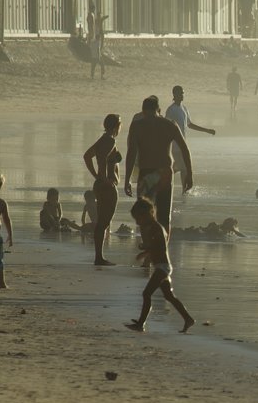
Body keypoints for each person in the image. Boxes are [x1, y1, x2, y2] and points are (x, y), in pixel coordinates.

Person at [125, 95, 191, 237]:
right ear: (158, 110)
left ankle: (149, 248)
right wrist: (190, 175)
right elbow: (185, 150)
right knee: (164, 216)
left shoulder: (137, 125)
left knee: (144, 215)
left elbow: (131, 154)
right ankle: (163, 250)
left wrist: (127, 180)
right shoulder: (170, 124)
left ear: (143, 111)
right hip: (165, 173)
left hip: (147, 173)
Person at [126, 197, 195, 333]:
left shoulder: (156, 228)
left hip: (163, 267)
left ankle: (141, 323)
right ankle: (188, 319)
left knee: (146, 294)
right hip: (162, 267)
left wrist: (145, 252)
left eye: (138, 218)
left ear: (149, 213)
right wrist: (145, 248)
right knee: (169, 296)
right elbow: (155, 246)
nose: (138, 222)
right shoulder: (153, 228)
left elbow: (158, 247)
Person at [83, 113, 122, 265]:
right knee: (104, 222)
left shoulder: (103, 139)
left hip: (101, 185)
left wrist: (97, 176)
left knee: (102, 222)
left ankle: (99, 256)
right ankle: (99, 258)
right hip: (106, 187)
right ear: (115, 126)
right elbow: (104, 159)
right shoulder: (110, 140)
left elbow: (87, 156)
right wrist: (104, 178)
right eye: (119, 124)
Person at [165, 85, 216, 195]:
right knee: (183, 168)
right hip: (174, 145)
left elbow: (190, 124)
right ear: (174, 94)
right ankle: (185, 192)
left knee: (178, 167)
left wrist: (206, 130)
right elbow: (166, 126)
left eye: (183, 93)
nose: (182, 95)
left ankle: (164, 180)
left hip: (182, 144)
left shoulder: (184, 109)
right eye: (180, 93)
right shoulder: (171, 110)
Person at [87, 6, 108, 80]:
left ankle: (92, 76)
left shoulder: (93, 42)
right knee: (102, 65)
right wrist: (99, 55)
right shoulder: (97, 42)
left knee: (93, 66)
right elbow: (98, 49)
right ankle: (102, 76)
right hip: (97, 56)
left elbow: (90, 46)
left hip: (93, 56)